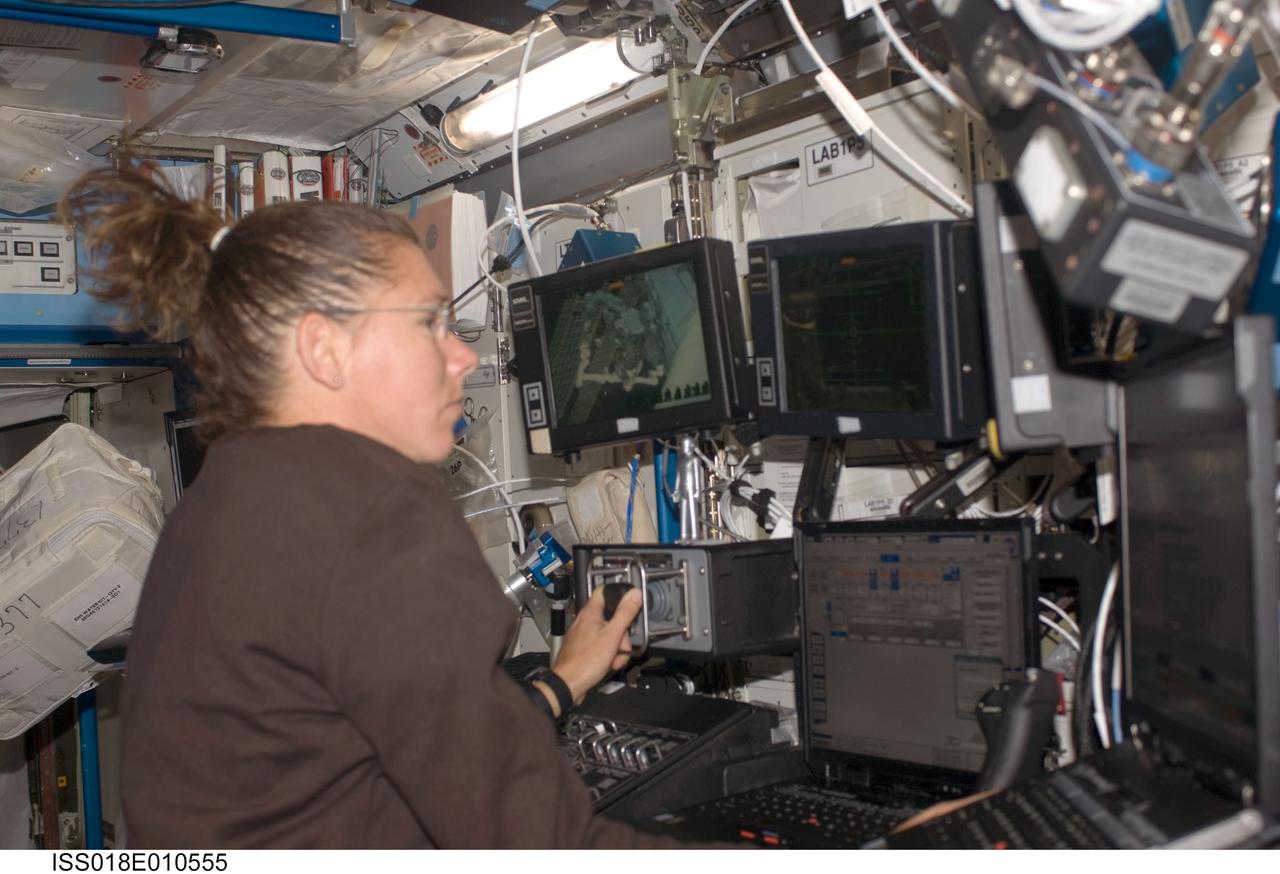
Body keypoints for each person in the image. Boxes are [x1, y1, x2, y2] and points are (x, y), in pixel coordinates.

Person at [58, 166, 675, 848]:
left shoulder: (224, 503)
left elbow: (362, 760)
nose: (463, 357)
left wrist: (560, 685)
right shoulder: (373, 511)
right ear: (325, 348)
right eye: (431, 323)